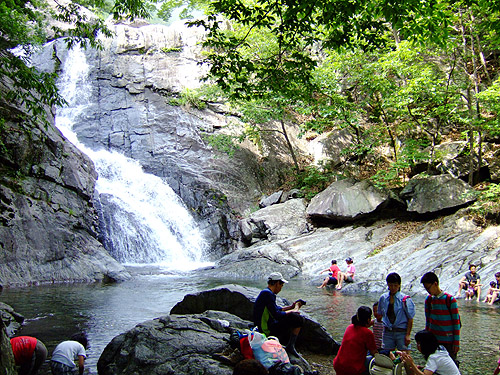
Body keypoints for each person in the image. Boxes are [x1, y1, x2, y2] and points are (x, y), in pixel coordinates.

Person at [253, 272, 305, 358]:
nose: (281, 288)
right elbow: (277, 315)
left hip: (264, 327)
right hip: (265, 330)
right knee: (298, 319)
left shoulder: (267, 292)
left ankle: (288, 345)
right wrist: (294, 310)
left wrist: (290, 307)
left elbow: (276, 309)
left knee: (294, 316)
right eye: (281, 285)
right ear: (277, 283)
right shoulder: (267, 294)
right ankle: (290, 346)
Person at [420, 272, 461, 365]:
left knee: (450, 365)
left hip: (448, 342)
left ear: (435, 284)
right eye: (426, 289)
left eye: (428, 288)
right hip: (433, 341)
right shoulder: (429, 300)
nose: (428, 291)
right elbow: (428, 321)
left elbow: (456, 323)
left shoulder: (450, 300)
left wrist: (456, 342)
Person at [333, 305, 378, 375]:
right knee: (373, 361)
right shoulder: (368, 333)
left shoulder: (349, 327)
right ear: (368, 319)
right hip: (352, 369)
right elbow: (374, 353)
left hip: (338, 365)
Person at [377, 272, 415, 352]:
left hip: (402, 332)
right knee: (387, 356)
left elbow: (410, 318)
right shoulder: (383, 298)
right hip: (388, 332)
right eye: (391, 285)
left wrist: (408, 335)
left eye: (395, 285)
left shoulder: (405, 299)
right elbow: (379, 314)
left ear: (399, 285)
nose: (393, 287)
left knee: (405, 356)